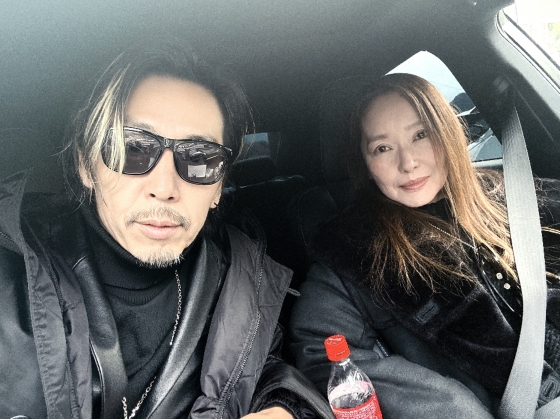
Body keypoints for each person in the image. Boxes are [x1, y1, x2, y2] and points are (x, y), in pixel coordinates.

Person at [0, 44, 332, 419]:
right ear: (85, 166)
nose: (165, 187)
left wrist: (285, 406)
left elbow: (263, 371)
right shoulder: (11, 281)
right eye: (133, 148)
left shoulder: (241, 287)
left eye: (200, 157)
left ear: (219, 188)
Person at [289, 73, 560, 418]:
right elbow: (319, 351)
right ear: (366, 163)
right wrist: (452, 407)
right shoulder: (352, 251)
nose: (408, 163)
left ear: (446, 133)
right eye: (383, 148)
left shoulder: (516, 198)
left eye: (421, 135)